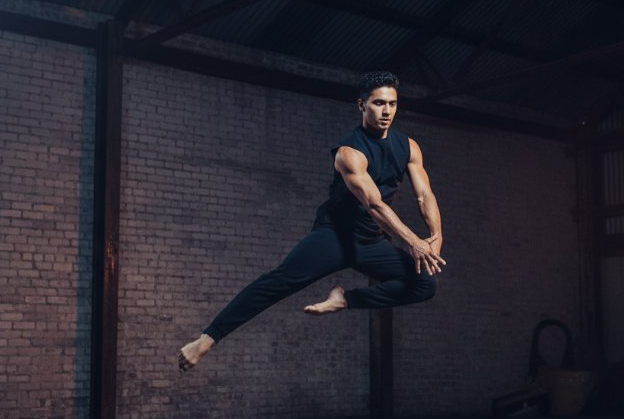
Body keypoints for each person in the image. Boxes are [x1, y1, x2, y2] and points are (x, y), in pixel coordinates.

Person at [178, 71, 446, 371]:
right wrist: (413, 242)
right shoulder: (349, 153)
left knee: (424, 285)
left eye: (392, 104)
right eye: (378, 103)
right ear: (362, 105)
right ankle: (206, 340)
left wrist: (435, 236)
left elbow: (425, 195)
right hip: (335, 237)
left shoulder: (409, 147)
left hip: (371, 242)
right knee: (276, 283)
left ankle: (345, 300)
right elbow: (374, 204)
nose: (386, 112)